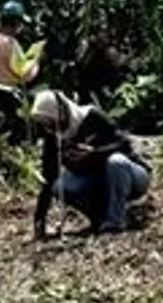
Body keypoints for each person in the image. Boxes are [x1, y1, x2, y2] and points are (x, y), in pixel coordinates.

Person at [31, 90, 151, 239]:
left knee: (115, 162)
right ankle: (102, 217)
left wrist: (95, 153)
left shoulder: (92, 117)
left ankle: (115, 224)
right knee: (59, 185)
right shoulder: (53, 138)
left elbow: (125, 144)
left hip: (130, 174)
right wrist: (39, 218)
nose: (49, 128)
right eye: (44, 124)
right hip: (97, 182)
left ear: (61, 113)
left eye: (50, 122)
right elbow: (48, 177)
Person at [0, 0, 42, 89]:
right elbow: (25, 75)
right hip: (12, 89)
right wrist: (37, 62)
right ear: (16, 23)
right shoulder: (11, 44)